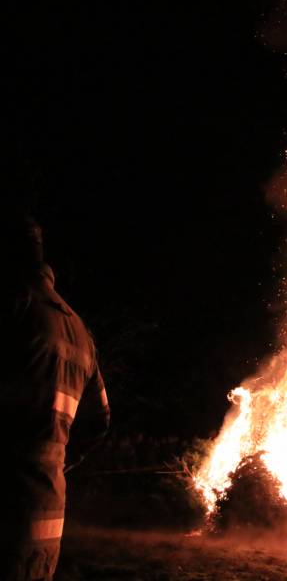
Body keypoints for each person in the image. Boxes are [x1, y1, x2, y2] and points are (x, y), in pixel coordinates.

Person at [0, 215, 111, 580]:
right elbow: (99, 422)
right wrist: (52, 464)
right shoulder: (80, 332)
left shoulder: (12, 307)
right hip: (47, 521)